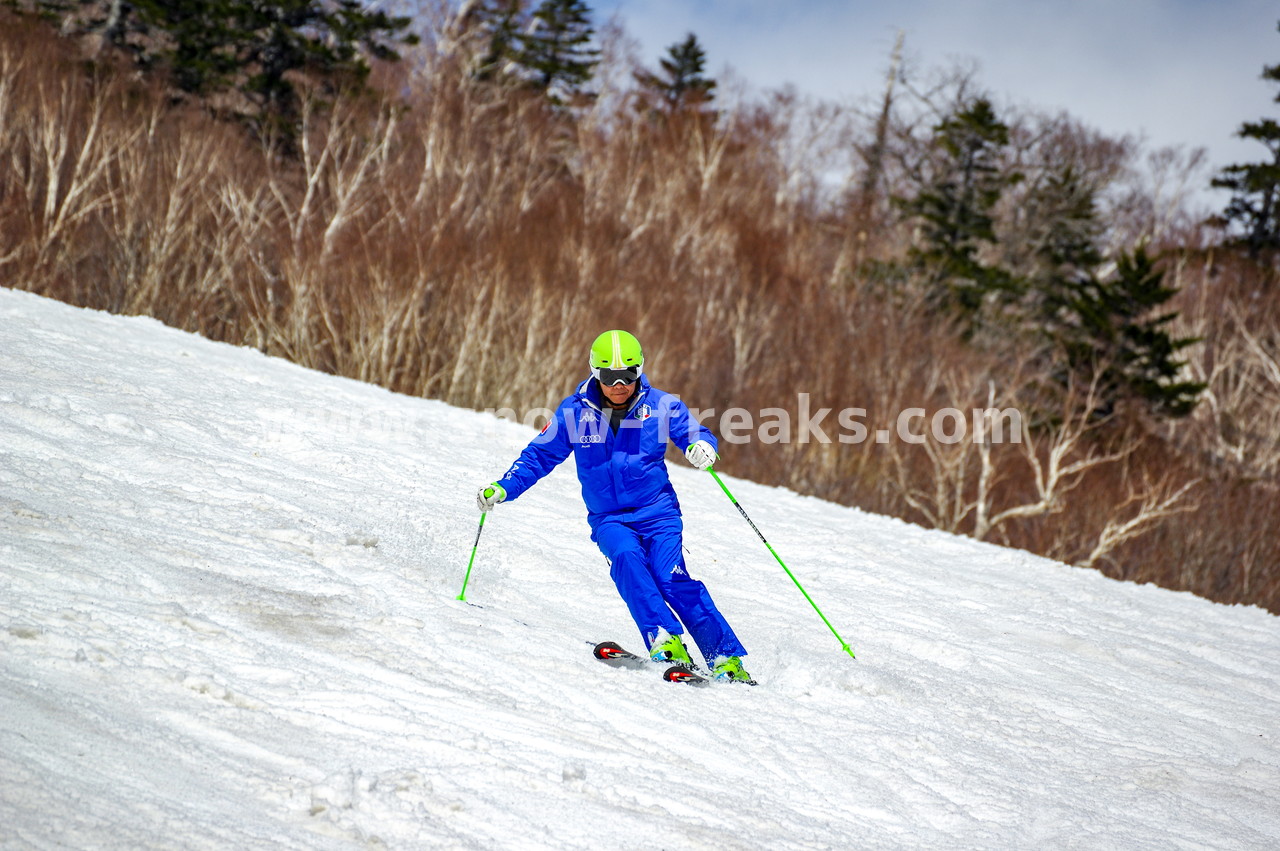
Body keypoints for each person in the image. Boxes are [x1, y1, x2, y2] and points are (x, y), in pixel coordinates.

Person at [476, 330, 752, 683]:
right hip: (609, 518)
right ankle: (665, 641)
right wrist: (504, 487)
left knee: (671, 579)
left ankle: (725, 658)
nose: (619, 384)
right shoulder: (575, 412)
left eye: (628, 375)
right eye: (609, 377)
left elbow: (694, 432)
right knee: (626, 559)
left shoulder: (662, 405)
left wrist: (702, 448)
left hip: (659, 514)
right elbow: (540, 455)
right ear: (595, 373)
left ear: (640, 371)